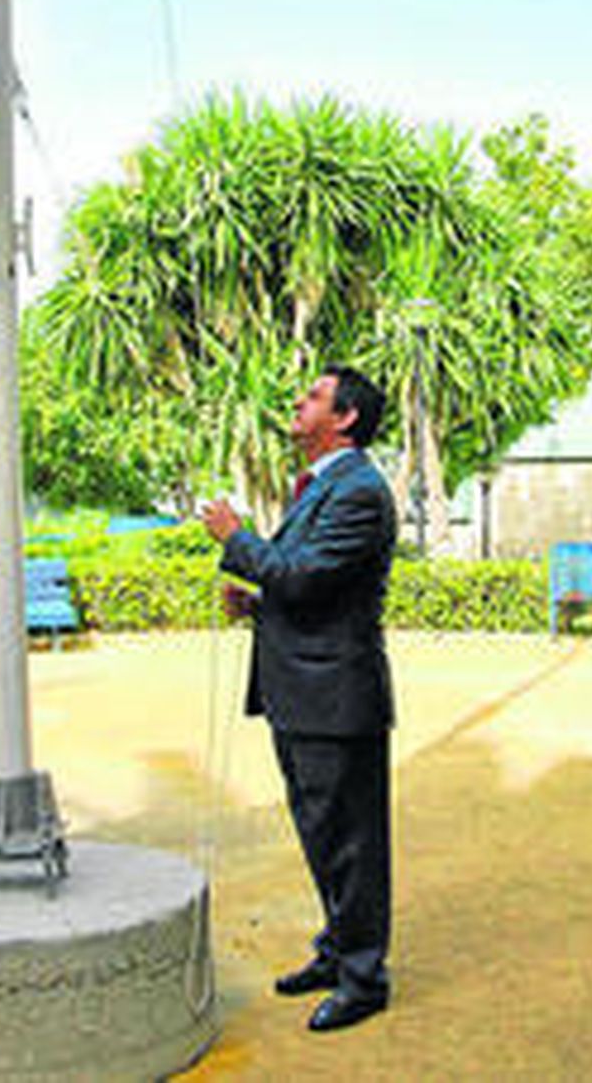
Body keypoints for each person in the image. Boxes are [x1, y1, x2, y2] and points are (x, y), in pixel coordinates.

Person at [201, 364, 397, 1034]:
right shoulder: (323, 487)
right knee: (323, 831)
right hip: (303, 692)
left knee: (351, 840)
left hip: (337, 697)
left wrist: (238, 539)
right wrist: (258, 603)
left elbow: (309, 579)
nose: (297, 400)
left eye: (313, 395)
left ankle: (364, 979)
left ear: (343, 418)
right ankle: (339, 949)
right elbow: (309, 591)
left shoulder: (360, 492)